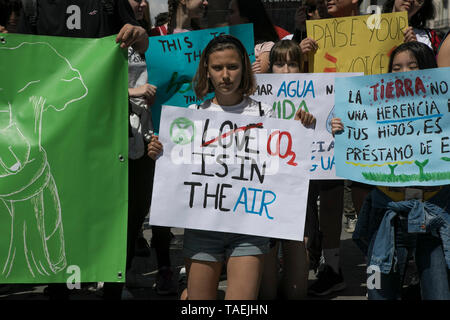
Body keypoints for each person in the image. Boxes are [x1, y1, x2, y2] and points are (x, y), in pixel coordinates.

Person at [16, 0, 149, 300]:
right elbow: (20, 57)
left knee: (110, 202)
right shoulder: (33, 5)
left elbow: (143, 43)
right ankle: (59, 284)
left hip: (104, 121)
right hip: (56, 126)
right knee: (61, 202)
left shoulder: (108, 2)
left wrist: (137, 35)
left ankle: (112, 281)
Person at [149, 34, 278, 300]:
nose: (226, 75)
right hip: (202, 228)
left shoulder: (267, 114)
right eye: (218, 68)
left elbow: (282, 167)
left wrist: (304, 125)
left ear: (244, 67)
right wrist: (159, 152)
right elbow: (178, 168)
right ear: (206, 70)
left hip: (248, 229)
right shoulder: (194, 114)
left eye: (232, 67)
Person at [332, 41, 450, 300]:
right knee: (379, 290)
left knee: (438, 289)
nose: (403, 72)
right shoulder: (375, 109)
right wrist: (343, 129)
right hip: (388, 211)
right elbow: (359, 145)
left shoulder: (445, 105)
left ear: (429, 69)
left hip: (435, 211)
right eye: (396, 67)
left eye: (412, 65)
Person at [258, 39, 316, 300]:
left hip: (296, 181)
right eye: (279, 64)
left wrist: (308, 122)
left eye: (293, 63)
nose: (286, 70)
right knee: (268, 240)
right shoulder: (257, 95)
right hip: (265, 180)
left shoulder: (314, 93)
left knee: (296, 237)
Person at [227, 0, 279, 74]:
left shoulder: (266, 47)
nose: (227, 18)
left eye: (231, 12)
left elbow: (257, 73)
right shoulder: (225, 44)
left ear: (246, 18)